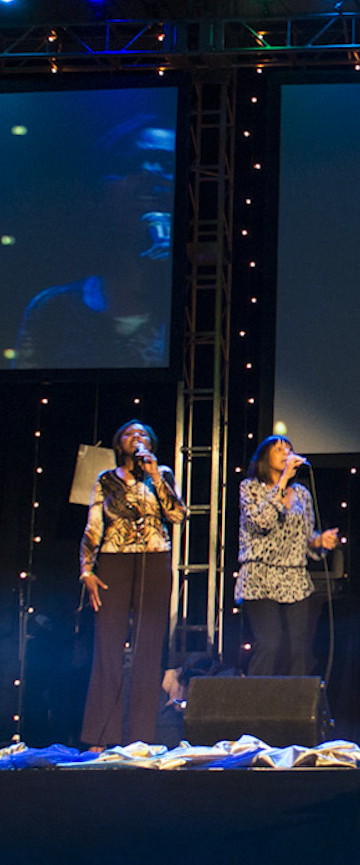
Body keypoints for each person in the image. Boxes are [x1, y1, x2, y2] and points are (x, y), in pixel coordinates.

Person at [14, 116, 176, 369]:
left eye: (167, 164)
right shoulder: (53, 308)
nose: (150, 173)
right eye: (131, 164)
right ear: (98, 192)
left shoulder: (211, 296)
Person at [78, 420, 187, 747]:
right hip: (113, 561)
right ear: (119, 443)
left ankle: (141, 738)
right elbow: (94, 523)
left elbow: (178, 515)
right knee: (108, 648)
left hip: (154, 560)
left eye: (142, 434)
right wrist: (86, 568)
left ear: (150, 443)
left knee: (148, 650)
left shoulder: (162, 474)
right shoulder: (107, 479)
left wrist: (155, 475)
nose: (136, 438)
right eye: (129, 434)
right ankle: (100, 735)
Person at [237, 435, 338, 677]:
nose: (286, 453)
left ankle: (296, 709)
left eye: (289, 449)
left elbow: (306, 535)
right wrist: (282, 484)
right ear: (265, 457)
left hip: (294, 578)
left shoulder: (302, 493)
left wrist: (319, 540)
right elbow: (262, 521)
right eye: (279, 449)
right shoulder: (250, 487)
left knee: (299, 648)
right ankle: (257, 706)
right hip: (259, 576)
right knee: (270, 644)